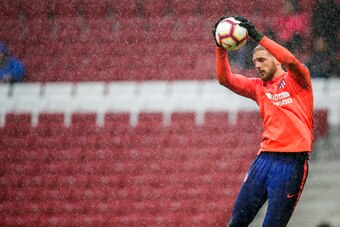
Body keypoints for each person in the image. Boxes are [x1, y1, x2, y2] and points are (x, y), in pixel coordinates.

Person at [213, 16, 313, 226]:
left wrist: (259, 37)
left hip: (291, 163)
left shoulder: (298, 78)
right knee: (237, 221)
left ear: (276, 59)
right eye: (254, 62)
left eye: (262, 60)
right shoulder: (258, 87)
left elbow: (291, 61)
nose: (257, 66)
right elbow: (225, 79)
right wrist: (220, 47)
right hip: (264, 159)